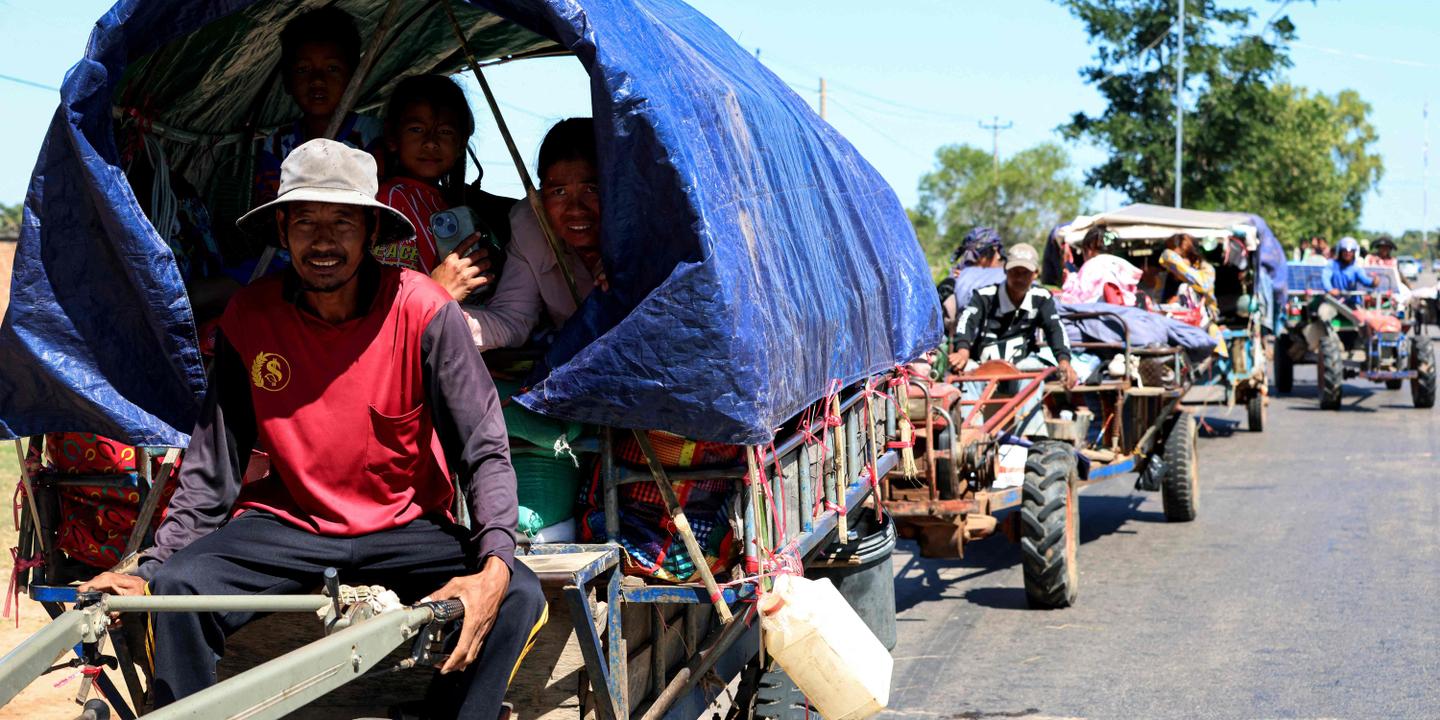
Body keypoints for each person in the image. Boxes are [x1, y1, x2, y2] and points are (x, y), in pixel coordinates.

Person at [78, 140, 545, 716]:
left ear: (372, 231)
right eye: (305, 221)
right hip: (289, 523)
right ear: (282, 226)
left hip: (405, 526)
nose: (323, 240)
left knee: (518, 591)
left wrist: (495, 559)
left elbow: (483, 450)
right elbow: (213, 464)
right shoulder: (251, 315)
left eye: (342, 221)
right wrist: (152, 566)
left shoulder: (424, 310)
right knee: (179, 589)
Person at [465, 118, 605, 350]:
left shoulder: (650, 226)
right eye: (559, 192)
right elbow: (512, 320)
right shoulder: (532, 222)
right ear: (541, 194)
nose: (576, 209)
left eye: (592, 189)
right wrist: (437, 317)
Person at [373, 74, 503, 304]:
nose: (431, 142)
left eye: (444, 132)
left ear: (461, 143)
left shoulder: (449, 204)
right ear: (392, 137)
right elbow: (389, 293)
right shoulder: (391, 199)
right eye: (416, 129)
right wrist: (440, 291)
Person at [253, 7, 384, 206]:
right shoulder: (278, 144)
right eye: (303, 70)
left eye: (332, 68)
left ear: (354, 79)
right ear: (287, 81)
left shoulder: (373, 136)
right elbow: (270, 209)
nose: (317, 80)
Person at [947, 243, 1078, 388]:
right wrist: (963, 351)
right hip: (982, 364)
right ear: (1005, 271)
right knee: (965, 373)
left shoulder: (1042, 298)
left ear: (1035, 274)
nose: (1019, 278)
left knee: (1034, 370)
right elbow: (967, 322)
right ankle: (971, 411)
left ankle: (1027, 412)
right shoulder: (984, 296)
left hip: (1021, 365)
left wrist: (1064, 361)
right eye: (1015, 272)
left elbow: (1055, 329)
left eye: (1025, 273)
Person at [1159, 233, 1228, 357]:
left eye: (1180, 256)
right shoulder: (1171, 276)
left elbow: (1202, 285)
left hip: (1202, 325)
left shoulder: (1206, 270)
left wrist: (1181, 265)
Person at [1323, 236, 1377, 302]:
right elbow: (1325, 278)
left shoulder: (1356, 268)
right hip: (1333, 301)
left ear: (1354, 253)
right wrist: (1330, 289)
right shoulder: (1331, 264)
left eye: (1351, 251)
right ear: (1340, 252)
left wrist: (1374, 282)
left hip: (1351, 302)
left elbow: (1365, 281)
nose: (1348, 253)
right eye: (1344, 251)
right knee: (1324, 311)